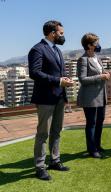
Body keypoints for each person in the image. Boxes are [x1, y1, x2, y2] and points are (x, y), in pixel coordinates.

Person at [28, 20, 73, 180]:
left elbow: (58, 75)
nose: (63, 35)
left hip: (59, 97)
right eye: (61, 33)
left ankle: (55, 160)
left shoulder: (57, 51)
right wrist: (58, 81)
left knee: (56, 131)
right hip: (45, 99)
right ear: (52, 33)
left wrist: (64, 91)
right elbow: (35, 73)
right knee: (43, 134)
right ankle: (40, 167)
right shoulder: (37, 49)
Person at [77, 33, 110, 158]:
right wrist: (100, 76)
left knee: (100, 121)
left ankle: (97, 145)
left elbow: (100, 72)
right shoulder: (83, 60)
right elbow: (83, 79)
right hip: (90, 98)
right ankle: (92, 149)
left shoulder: (97, 58)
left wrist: (105, 73)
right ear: (89, 45)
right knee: (91, 123)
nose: (98, 45)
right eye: (96, 43)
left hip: (101, 96)